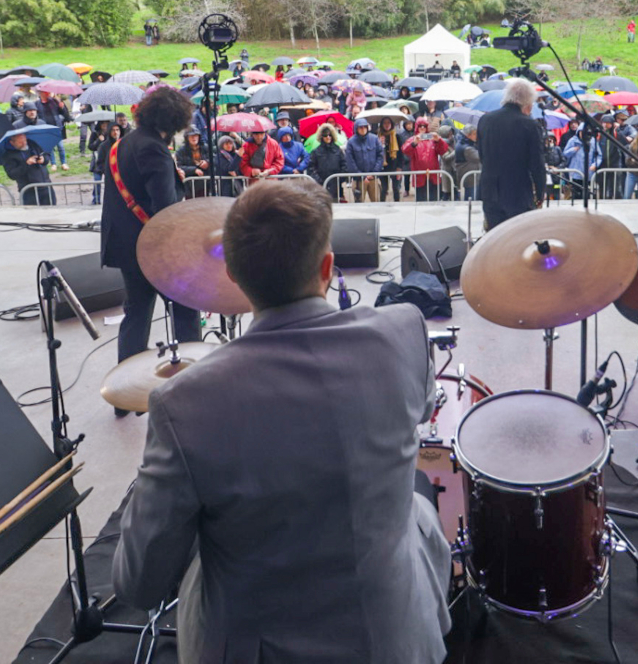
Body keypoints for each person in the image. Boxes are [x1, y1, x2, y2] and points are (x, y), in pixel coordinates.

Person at [113, 181, 451, 663]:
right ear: (327, 267)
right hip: (394, 633)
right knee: (416, 503)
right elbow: (418, 411)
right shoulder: (405, 330)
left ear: (231, 275)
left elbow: (139, 584)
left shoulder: (182, 404)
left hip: (262, 647)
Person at [100, 87, 201, 398]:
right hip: (154, 248)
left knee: (137, 314)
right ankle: (194, 384)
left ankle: (123, 395)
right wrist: (179, 185)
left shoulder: (122, 144)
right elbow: (166, 209)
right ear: (174, 119)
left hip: (124, 245)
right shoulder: (154, 149)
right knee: (185, 310)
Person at [475, 77, 547, 228]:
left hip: (490, 191)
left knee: (495, 240)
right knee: (518, 241)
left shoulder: (485, 120)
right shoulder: (530, 125)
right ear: (527, 102)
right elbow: (537, 164)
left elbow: (481, 154)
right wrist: (540, 192)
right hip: (517, 193)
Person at [2, 133, 56, 206]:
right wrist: (27, 164)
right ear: (12, 143)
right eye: (20, 142)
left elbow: (46, 154)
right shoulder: (8, 155)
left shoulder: (33, 145)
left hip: (46, 185)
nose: (24, 143)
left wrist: (43, 159)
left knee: (52, 211)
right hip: (29, 190)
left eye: (25, 140)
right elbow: (12, 174)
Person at [401, 117, 446, 202]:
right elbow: (405, 150)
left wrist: (439, 140)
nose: (422, 128)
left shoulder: (433, 139)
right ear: (417, 127)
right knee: (421, 201)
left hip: (433, 175)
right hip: (419, 176)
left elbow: (443, 150)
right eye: (420, 126)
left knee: (434, 200)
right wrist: (414, 143)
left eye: (424, 126)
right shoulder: (413, 139)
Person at [345, 118, 384, 202]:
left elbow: (380, 155)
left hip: (373, 178)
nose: (363, 129)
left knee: (376, 202)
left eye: (364, 127)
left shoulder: (374, 139)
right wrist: (361, 176)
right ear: (356, 129)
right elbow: (350, 161)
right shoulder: (351, 142)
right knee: (359, 203)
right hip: (359, 180)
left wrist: (374, 173)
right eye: (360, 127)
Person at [306, 123, 347, 200]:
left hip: (336, 186)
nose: (328, 137)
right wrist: (319, 181)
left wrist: (338, 180)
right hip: (320, 187)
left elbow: (344, 165)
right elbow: (311, 168)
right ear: (321, 136)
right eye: (325, 135)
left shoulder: (338, 149)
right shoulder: (316, 151)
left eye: (330, 135)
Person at [444, 125, 480, 202]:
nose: (476, 136)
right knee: (471, 200)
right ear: (468, 135)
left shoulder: (463, 142)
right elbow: (479, 157)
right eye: (474, 134)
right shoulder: (467, 148)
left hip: (469, 177)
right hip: (470, 179)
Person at [89, 122, 121, 205]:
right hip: (105, 170)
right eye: (113, 130)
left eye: (117, 130)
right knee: (98, 183)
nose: (115, 132)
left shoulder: (123, 143)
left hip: (121, 172)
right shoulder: (102, 144)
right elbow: (92, 147)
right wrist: (98, 140)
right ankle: (96, 199)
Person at [376, 118, 406, 202]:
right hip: (383, 167)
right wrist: (379, 143)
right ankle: (382, 205)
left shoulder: (397, 136)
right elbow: (375, 152)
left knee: (396, 188)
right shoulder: (378, 136)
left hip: (394, 166)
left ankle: (397, 204)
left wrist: (400, 167)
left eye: (388, 123)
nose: (386, 125)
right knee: (384, 189)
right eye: (384, 123)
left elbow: (401, 153)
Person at [175, 129, 212, 197]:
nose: (194, 138)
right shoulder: (181, 151)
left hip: (205, 183)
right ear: (187, 138)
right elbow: (179, 166)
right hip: (189, 185)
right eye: (191, 136)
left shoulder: (206, 148)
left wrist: (207, 162)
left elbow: (214, 159)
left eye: (196, 136)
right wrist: (194, 170)